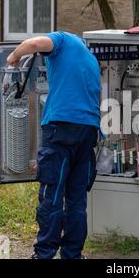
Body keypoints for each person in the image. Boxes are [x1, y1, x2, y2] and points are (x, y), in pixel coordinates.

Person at [7, 31, 101, 259]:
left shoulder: (61, 40)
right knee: (77, 200)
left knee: (52, 194)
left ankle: (44, 254)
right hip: (88, 130)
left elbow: (35, 43)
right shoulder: (89, 58)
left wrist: (14, 56)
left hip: (60, 127)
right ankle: (73, 254)